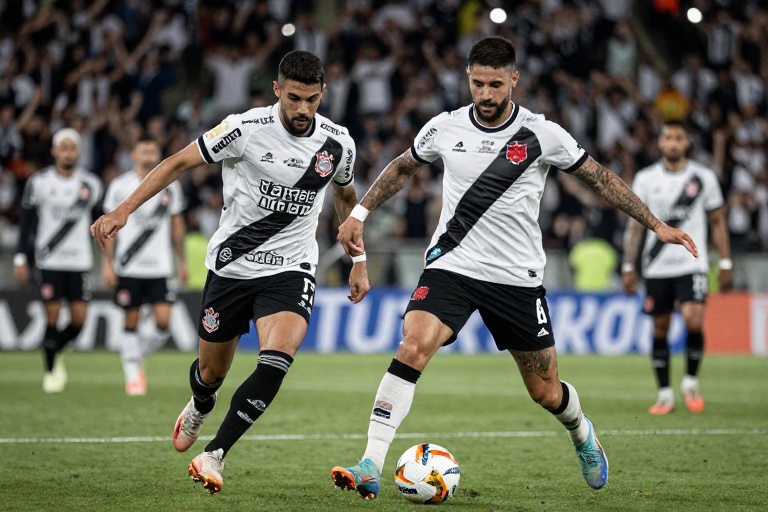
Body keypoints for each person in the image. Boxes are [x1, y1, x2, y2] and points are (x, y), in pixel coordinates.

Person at [330, 36, 698, 499]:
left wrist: (656, 224)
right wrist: (360, 213)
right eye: (478, 84)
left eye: (496, 85)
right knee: (412, 345)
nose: (486, 95)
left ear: (514, 80)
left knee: (546, 392)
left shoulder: (542, 133)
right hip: (453, 266)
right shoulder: (444, 126)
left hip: (516, 278)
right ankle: (371, 462)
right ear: (468, 77)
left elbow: (600, 178)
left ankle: (581, 430)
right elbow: (403, 168)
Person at [90, 50, 368, 494]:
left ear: (323, 94)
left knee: (278, 358)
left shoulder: (339, 143)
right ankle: (201, 404)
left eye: (312, 99)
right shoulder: (243, 128)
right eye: (294, 98)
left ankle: (215, 453)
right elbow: (178, 162)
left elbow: (346, 196)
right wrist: (123, 210)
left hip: (292, 267)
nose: (303, 109)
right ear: (277, 90)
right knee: (211, 373)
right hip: (232, 266)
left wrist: (359, 260)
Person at [622, 120, 731, 415]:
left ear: (687, 143)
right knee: (660, 327)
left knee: (693, 319)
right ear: (660, 142)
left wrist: (725, 262)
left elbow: (717, 221)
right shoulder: (646, 178)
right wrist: (628, 264)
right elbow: (635, 227)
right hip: (656, 266)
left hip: (692, 263)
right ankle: (665, 394)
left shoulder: (703, 177)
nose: (673, 142)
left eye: (678, 138)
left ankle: (691, 382)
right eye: (668, 137)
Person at [13, 128, 103, 393]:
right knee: (52, 316)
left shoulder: (91, 184)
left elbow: (99, 219)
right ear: (54, 151)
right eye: (63, 148)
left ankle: (55, 349)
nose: (67, 153)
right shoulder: (39, 182)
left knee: (79, 319)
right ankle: (51, 370)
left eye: (72, 148)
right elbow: (26, 223)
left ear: (78, 152)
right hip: (49, 260)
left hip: (80, 261)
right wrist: (21, 258)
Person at [101, 135, 188, 396]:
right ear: (134, 155)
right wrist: (107, 263)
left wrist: (182, 261)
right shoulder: (119, 186)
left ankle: (134, 356)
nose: (149, 155)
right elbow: (108, 229)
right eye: (144, 151)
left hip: (161, 267)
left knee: (163, 322)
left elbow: (177, 226)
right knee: (131, 319)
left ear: (158, 154)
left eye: (153, 151)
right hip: (129, 266)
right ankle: (132, 376)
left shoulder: (171, 186)